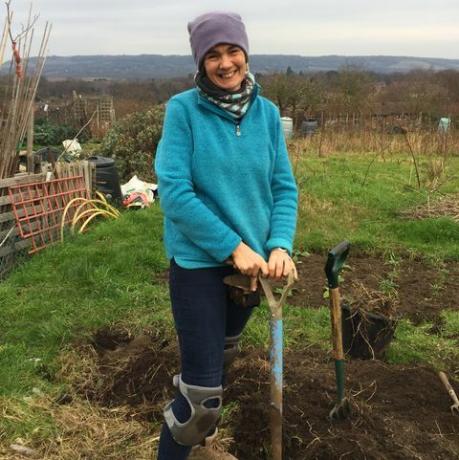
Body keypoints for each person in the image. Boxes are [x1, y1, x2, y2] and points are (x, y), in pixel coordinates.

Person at [154, 11, 298, 460]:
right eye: (212, 55)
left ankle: (203, 449)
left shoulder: (268, 114)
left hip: (252, 270)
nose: (225, 63)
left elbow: (282, 187)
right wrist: (232, 247)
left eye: (232, 50)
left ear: (245, 53)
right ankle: (186, 443)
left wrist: (279, 244)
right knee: (200, 401)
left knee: (219, 366)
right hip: (200, 266)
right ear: (200, 64)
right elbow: (174, 193)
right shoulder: (183, 111)